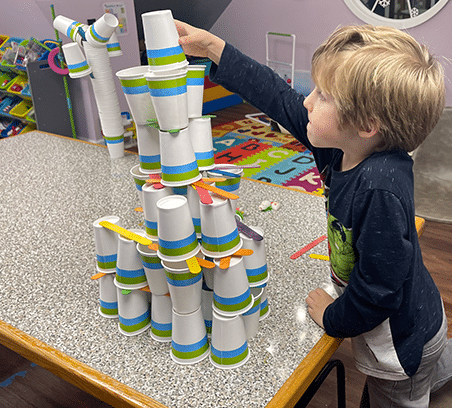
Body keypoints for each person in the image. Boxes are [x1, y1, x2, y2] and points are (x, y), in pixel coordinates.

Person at [175, 20, 451, 407]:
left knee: (404, 390)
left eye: (323, 95)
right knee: (435, 361)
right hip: (423, 312)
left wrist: (333, 317)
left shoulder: (378, 190)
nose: (307, 100)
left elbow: (378, 294)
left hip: (402, 342)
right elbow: (279, 98)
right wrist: (215, 48)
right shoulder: (346, 147)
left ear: (367, 124)